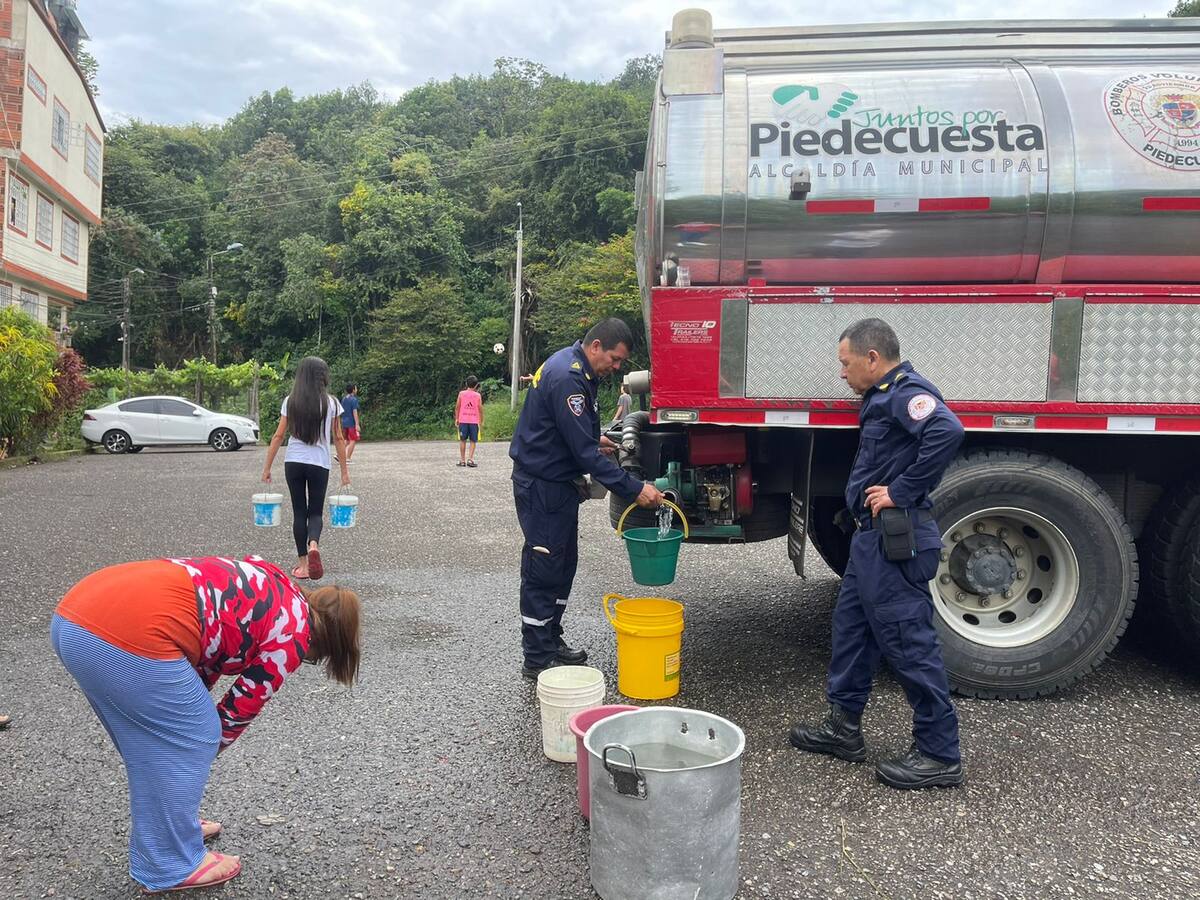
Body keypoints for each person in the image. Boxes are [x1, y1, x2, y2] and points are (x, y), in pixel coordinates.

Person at [50, 555, 361, 892]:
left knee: (153, 745)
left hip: (76, 616)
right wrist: (194, 759)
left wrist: (181, 766)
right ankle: (170, 864)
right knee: (196, 737)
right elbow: (236, 710)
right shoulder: (294, 633)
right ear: (330, 643)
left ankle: (174, 826)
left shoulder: (274, 581)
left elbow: (206, 650)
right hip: (128, 634)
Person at [789, 318, 966, 790]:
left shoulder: (906, 391)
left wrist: (902, 490)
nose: (841, 373)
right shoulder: (879, 397)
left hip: (894, 540)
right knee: (851, 630)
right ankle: (843, 728)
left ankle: (939, 753)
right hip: (869, 541)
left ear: (872, 358)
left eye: (846, 363)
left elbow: (947, 430)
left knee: (907, 641)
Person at [509, 317, 665, 679]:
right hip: (543, 485)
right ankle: (536, 657)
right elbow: (585, 456)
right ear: (596, 347)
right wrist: (635, 488)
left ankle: (551, 639)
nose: (616, 367)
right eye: (614, 359)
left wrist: (596, 439)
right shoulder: (569, 377)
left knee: (563, 564)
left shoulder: (575, 367)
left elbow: (568, 430)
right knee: (544, 566)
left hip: (559, 485)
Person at [262, 357, 350, 580]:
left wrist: (267, 467)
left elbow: (278, 435)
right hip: (319, 463)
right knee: (315, 511)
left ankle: (303, 566)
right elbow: (339, 437)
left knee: (299, 512)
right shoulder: (331, 403)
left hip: (294, 462)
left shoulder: (290, 401)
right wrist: (345, 472)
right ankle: (313, 545)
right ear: (323, 376)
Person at [455, 375, 483, 468]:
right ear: (476, 386)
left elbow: (457, 407)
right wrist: (481, 421)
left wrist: (457, 418)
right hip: (474, 421)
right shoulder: (478, 395)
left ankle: (462, 461)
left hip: (463, 420)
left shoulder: (461, 394)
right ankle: (470, 459)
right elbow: (480, 409)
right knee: (473, 441)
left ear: (466, 384)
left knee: (462, 440)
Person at [341, 383, 361, 461]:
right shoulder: (353, 399)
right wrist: (357, 424)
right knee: (353, 440)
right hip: (351, 423)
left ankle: (338, 455)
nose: (356, 390)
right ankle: (348, 458)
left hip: (344, 422)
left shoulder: (344, 399)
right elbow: (355, 412)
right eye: (356, 388)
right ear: (353, 390)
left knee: (346, 440)